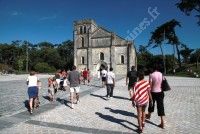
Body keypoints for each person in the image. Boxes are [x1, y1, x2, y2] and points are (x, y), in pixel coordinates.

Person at [146, 65, 165, 129]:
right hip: (160, 92)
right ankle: (162, 122)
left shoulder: (151, 75)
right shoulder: (161, 74)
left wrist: (148, 92)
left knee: (151, 104)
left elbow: (150, 85)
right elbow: (163, 83)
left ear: (153, 69)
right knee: (160, 106)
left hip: (153, 92)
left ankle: (149, 115)